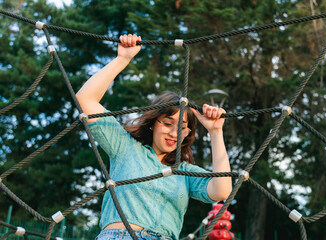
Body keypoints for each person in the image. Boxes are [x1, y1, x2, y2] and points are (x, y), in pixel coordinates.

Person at [76, 34, 232, 240]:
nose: (173, 133)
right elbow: (85, 99)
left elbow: (222, 191)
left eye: (182, 128)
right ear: (152, 124)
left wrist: (215, 132)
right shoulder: (124, 146)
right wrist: (122, 59)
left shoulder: (183, 171)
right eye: (167, 124)